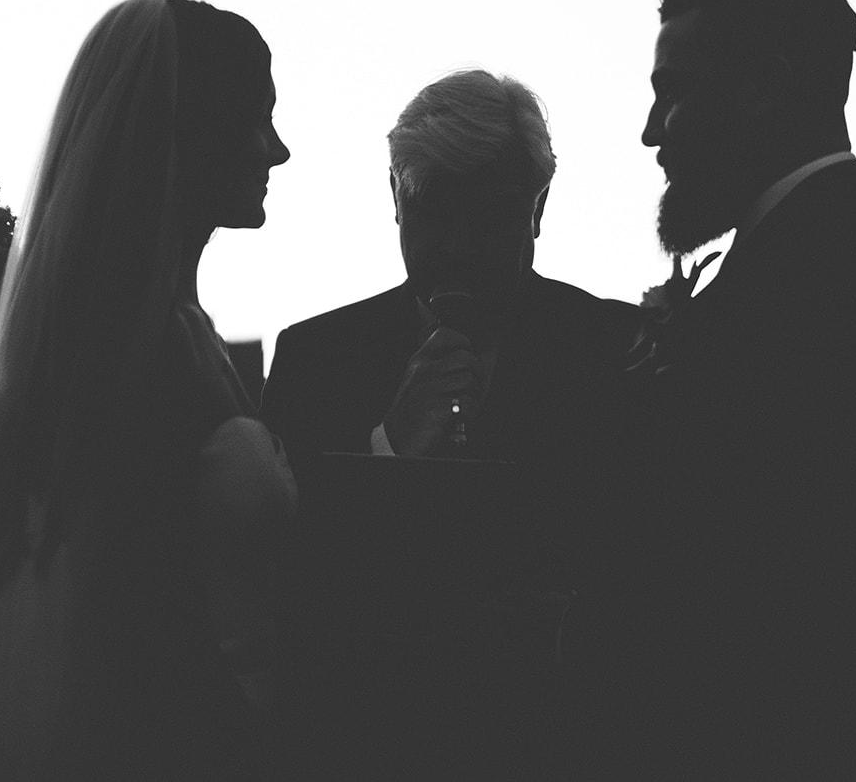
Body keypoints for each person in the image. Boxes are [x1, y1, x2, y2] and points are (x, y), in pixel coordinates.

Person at [585, 0, 856, 781]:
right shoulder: (828, 255)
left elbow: (762, 591)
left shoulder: (829, 280)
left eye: (675, 90)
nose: (652, 131)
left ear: (764, 85)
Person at [0, 0, 294, 782]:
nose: (277, 151)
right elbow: (156, 640)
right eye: (258, 118)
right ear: (192, 134)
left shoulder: (168, 337)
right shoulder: (143, 373)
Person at [263, 70, 636, 782]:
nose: (460, 246)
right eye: (436, 211)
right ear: (395, 201)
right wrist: (390, 444)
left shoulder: (616, 348)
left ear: (539, 206)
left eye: (492, 214)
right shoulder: (317, 357)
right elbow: (291, 584)